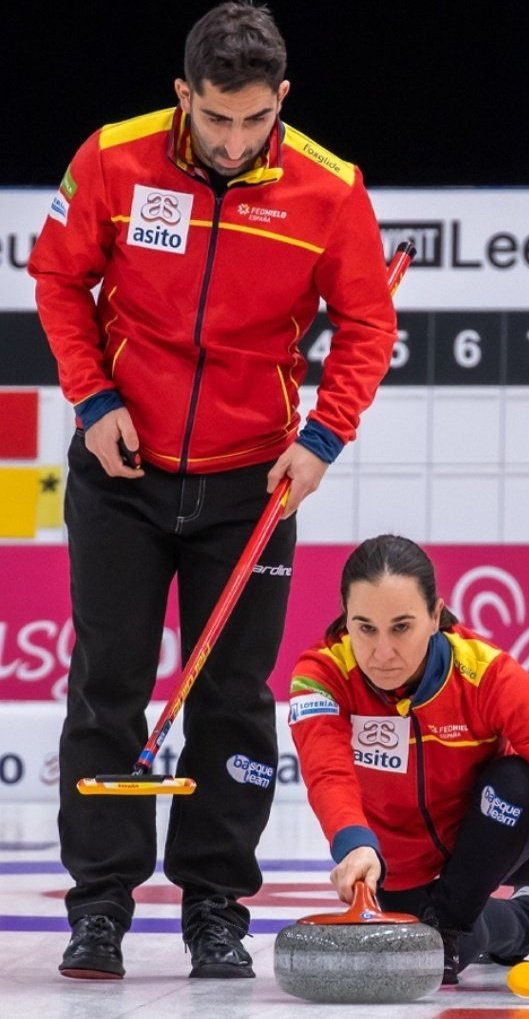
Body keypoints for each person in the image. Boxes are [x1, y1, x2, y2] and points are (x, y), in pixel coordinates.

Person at [27, 1, 397, 982]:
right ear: (183, 95)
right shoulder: (112, 158)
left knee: (233, 698)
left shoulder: (330, 188)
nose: (234, 143)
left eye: (253, 121)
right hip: (122, 470)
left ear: (281, 99)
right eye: (215, 120)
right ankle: (98, 907)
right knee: (106, 686)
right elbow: (58, 278)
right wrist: (92, 395)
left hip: (252, 485)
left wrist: (323, 437)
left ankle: (214, 907)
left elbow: (367, 322)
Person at [288, 534, 529, 985]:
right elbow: (327, 774)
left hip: (506, 837)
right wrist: (354, 844)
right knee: (444, 947)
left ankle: (463, 918)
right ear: (345, 617)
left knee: (518, 780)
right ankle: (527, 912)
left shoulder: (488, 674)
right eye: (365, 628)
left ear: (435, 616)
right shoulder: (319, 677)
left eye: (401, 627)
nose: (382, 653)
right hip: (392, 865)